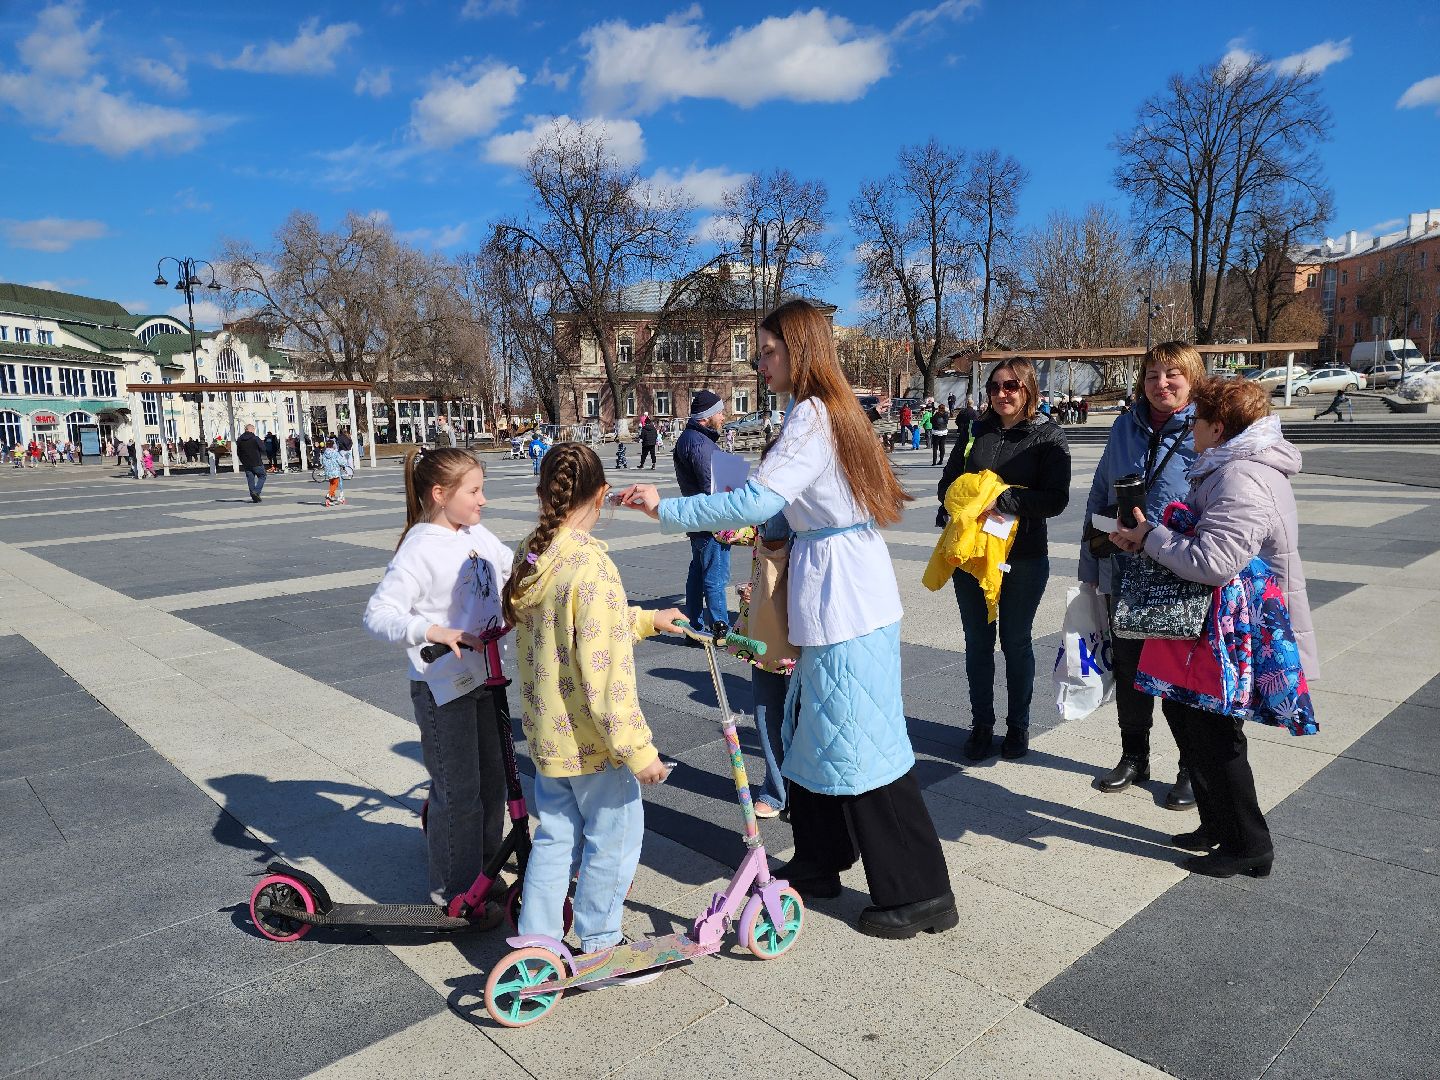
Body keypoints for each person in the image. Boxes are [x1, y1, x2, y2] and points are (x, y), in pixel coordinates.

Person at [621, 299, 955, 940]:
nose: (759, 360)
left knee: (865, 743)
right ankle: (823, 857)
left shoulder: (811, 415)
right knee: (816, 735)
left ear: (798, 351)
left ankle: (921, 892)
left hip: (845, 600)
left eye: (768, 349)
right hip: (834, 589)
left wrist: (666, 507)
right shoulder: (822, 411)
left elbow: (758, 497)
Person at [1110, 377, 1316, 878]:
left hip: (1232, 632)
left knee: (1216, 734)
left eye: (1197, 419)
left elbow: (1215, 561)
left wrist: (1153, 537)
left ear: (1217, 428)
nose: (1190, 426)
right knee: (1190, 721)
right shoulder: (1227, 467)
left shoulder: (1241, 476)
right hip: (1212, 627)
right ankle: (1217, 825)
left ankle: (1249, 845)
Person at [500, 442, 683, 958]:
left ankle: (536, 939)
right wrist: (638, 751)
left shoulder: (532, 555)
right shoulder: (592, 570)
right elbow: (605, 678)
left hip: (548, 739)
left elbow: (574, 631)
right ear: (602, 494)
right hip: (595, 745)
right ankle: (601, 941)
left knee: (556, 838)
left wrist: (646, 619)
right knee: (614, 840)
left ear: (544, 495)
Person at [363, 447, 513, 907]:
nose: (483, 499)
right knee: (458, 790)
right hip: (442, 686)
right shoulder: (420, 547)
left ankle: (485, 871)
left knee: (493, 784)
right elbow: (378, 613)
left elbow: (513, 568)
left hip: (485, 678)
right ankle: (453, 890)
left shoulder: (476, 534)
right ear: (439, 493)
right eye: (474, 490)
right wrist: (430, 630)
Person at [1079, 341, 1201, 808]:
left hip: (1176, 572)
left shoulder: (1204, 431)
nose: (1161, 383)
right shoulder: (1124, 426)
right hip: (1122, 569)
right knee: (1129, 668)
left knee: (1178, 674)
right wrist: (1090, 563)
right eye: (1152, 375)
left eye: (1173, 374)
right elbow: (1098, 493)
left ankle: (1191, 765)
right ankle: (1135, 755)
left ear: (1192, 380)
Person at [938, 359, 1071, 760]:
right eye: (995, 386)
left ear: (1028, 388)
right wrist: (957, 504)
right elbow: (949, 483)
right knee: (977, 644)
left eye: (1011, 385)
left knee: (1015, 642)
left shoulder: (1047, 436)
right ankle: (982, 725)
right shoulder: (975, 432)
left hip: (1023, 557)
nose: (1002, 393)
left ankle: (1019, 727)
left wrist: (1003, 499)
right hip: (973, 557)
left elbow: (1056, 499)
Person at [673, 390, 730, 633]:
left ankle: (694, 626)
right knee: (715, 575)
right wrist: (732, 491)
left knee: (698, 572)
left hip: (698, 518)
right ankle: (720, 628)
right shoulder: (699, 443)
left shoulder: (694, 439)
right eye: (720, 412)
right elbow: (712, 485)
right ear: (705, 418)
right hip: (711, 519)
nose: (724, 416)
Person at [236, 423, 267, 503]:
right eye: (254, 429)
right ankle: (256, 492)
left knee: (250, 479)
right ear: (251, 429)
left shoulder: (239, 439)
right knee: (262, 476)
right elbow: (263, 448)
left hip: (246, 463)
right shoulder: (255, 438)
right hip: (256, 462)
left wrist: (243, 461)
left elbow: (238, 452)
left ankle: (254, 497)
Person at [321, 438, 347, 507]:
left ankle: (330, 498)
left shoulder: (324, 453)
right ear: (333, 445)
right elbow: (341, 461)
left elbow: (322, 461)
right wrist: (345, 463)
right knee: (335, 484)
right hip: (335, 470)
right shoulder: (335, 453)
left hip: (328, 471)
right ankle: (329, 495)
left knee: (331, 484)